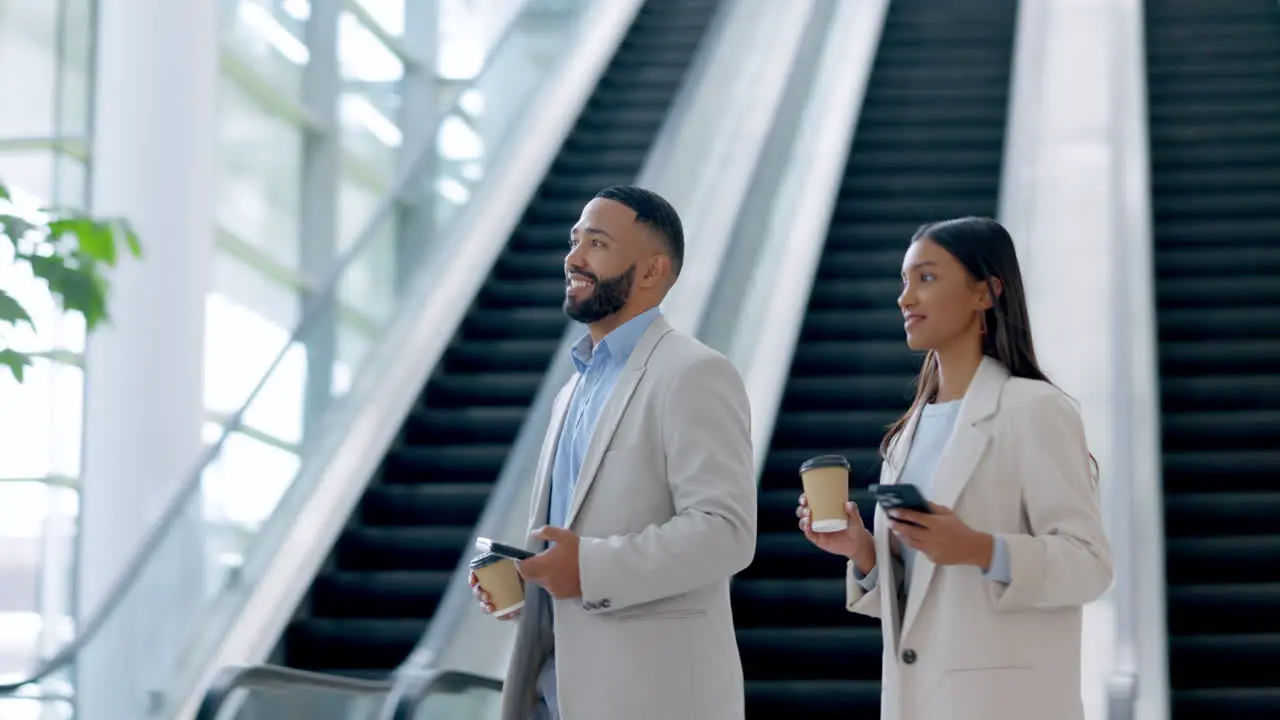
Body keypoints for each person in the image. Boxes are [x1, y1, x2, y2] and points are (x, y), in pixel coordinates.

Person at [795, 217, 1114, 720]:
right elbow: (925, 600)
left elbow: (1090, 566)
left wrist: (980, 548)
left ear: (985, 293)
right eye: (904, 281)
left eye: (926, 278)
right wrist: (863, 552)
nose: (905, 299)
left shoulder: (1033, 409)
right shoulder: (907, 434)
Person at [469, 185, 756, 720]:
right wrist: (530, 580)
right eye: (575, 241)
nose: (573, 258)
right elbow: (577, 542)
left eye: (596, 244)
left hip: (652, 698)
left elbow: (726, 532)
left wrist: (588, 567)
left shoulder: (693, 373)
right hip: (554, 694)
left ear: (651, 271)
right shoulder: (570, 393)